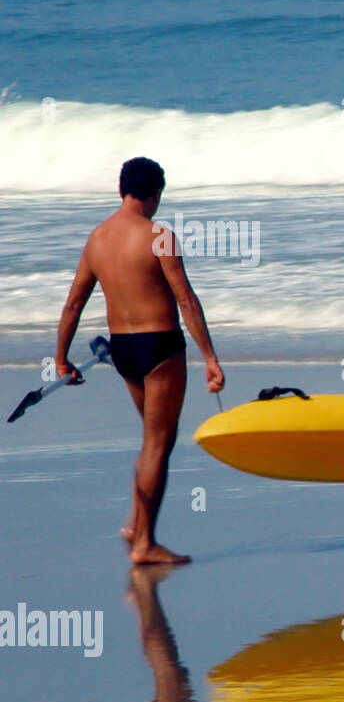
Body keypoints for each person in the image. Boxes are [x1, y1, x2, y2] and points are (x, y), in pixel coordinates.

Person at [55, 157, 225, 564]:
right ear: (155, 194)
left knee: (152, 441)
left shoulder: (97, 239)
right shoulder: (159, 236)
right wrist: (210, 357)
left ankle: (135, 524)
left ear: (121, 190)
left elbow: (74, 303)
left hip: (123, 352)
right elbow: (185, 298)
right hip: (161, 348)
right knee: (158, 444)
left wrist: (60, 358)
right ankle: (145, 544)